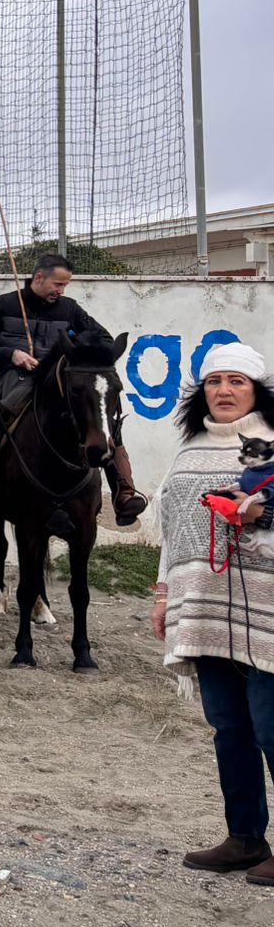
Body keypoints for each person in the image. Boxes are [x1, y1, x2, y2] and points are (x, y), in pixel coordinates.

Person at [154, 341, 274, 885]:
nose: (223, 391)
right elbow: (173, 529)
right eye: (213, 381)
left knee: (272, 729)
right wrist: (163, 596)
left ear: (256, 388)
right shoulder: (189, 449)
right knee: (229, 726)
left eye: (236, 381)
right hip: (203, 607)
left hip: (266, 608)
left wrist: (259, 513)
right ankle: (245, 839)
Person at [0, 253, 147, 526]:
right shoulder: (3, 304)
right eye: (58, 284)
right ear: (39, 278)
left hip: (57, 379)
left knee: (103, 417)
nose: (61, 291)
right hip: (14, 375)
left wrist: (77, 345)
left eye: (65, 286)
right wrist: (13, 354)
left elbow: (103, 338)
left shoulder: (69, 309)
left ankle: (123, 490)